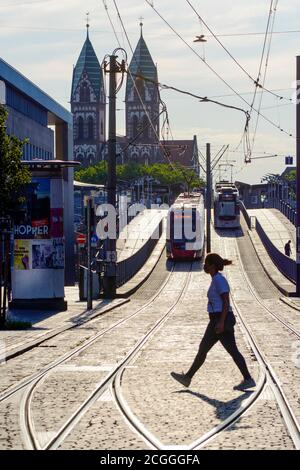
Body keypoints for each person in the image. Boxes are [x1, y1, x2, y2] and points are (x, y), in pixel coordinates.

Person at [171, 253, 256, 391]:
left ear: (213, 266)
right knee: (204, 349)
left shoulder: (219, 280)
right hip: (215, 320)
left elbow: (226, 302)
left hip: (219, 320)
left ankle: (248, 379)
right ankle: (187, 377)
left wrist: (221, 322)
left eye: (206, 263)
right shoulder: (215, 279)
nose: (204, 266)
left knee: (231, 351)